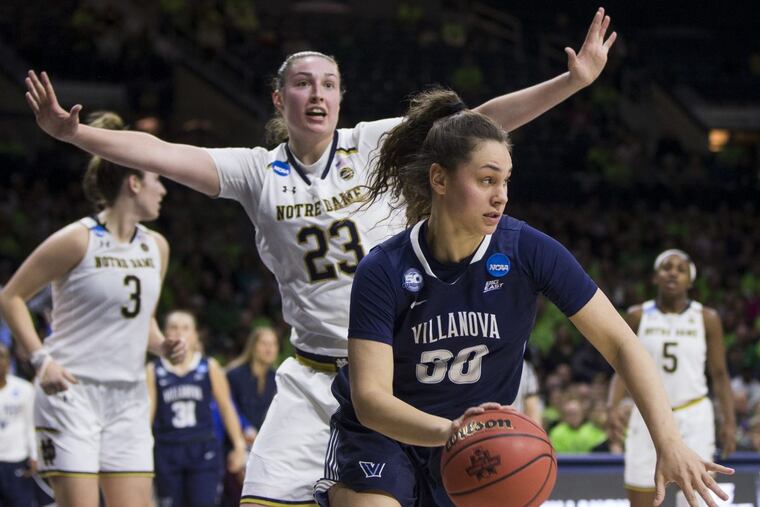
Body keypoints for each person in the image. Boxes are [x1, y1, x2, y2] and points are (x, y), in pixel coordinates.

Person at [25, 9, 617, 505]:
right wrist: (78, 136)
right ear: (280, 99)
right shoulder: (256, 171)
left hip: (397, 380)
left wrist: (572, 83)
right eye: (305, 84)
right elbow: (160, 150)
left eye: (330, 84)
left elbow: (479, 125)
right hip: (313, 376)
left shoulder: (374, 143)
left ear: (341, 97)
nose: (319, 94)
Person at [315, 89, 733, 507]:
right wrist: (449, 431)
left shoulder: (526, 250)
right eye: (486, 180)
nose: (501, 195)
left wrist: (669, 441)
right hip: (385, 439)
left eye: (505, 181)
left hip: (479, 446)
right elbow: (371, 401)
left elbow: (622, 343)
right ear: (439, 179)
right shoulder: (383, 268)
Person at [0, 112, 185, 507]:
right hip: (73, 392)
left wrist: (162, 346)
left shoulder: (157, 247)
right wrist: (40, 359)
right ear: (134, 183)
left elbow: (142, 320)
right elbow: (10, 297)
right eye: (157, 180)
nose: (163, 190)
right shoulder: (77, 239)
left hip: (130, 397)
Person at [607, 249, 737, 507]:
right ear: (656, 277)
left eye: (680, 269)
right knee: (643, 498)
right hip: (647, 415)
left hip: (694, 413)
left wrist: (730, 421)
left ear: (690, 280)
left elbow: (720, 375)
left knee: (697, 499)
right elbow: (623, 367)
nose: (673, 273)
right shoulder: (638, 315)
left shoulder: (707, 318)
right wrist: (612, 406)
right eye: (667, 267)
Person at [147, 310, 248, 507]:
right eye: (173, 328)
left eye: (185, 328)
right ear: (163, 333)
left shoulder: (208, 366)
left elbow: (227, 407)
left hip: (202, 449)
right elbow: (146, 416)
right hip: (167, 449)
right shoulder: (154, 370)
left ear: (195, 336)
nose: (179, 333)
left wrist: (238, 445)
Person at [225, 326, 280, 447]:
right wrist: (246, 427)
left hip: (264, 444)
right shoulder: (234, 374)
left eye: (273, 344)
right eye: (264, 343)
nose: (269, 349)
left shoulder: (278, 378)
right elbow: (228, 406)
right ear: (253, 346)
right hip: (235, 442)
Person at [0, 344, 37, 507]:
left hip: (16, 459)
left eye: (1, 356)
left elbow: (32, 424)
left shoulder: (24, 389)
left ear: (9, 360)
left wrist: (35, 455)